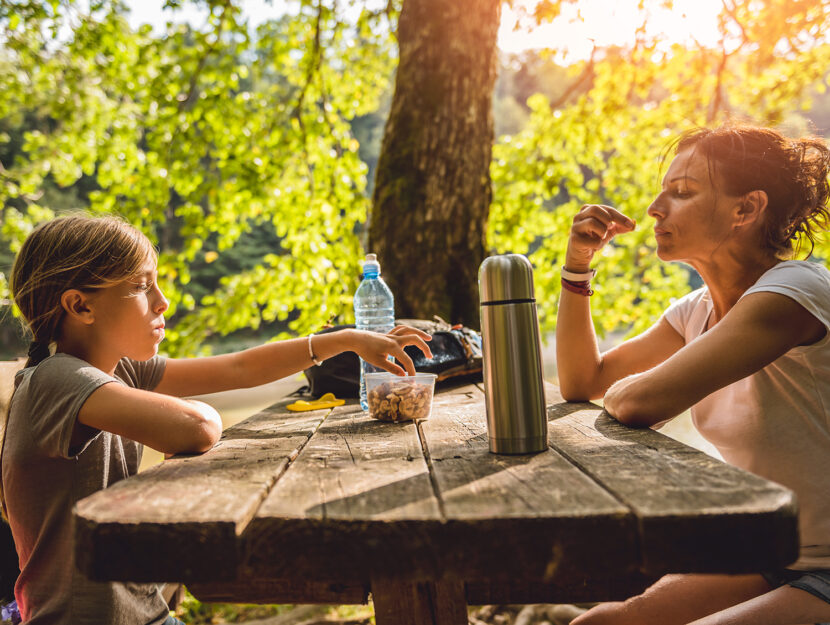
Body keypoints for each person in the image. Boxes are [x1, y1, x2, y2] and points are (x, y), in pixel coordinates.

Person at [0, 215, 432, 625]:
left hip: (143, 612)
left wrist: (344, 340)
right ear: (80, 306)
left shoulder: (118, 370)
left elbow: (238, 370)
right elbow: (197, 428)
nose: (162, 302)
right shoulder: (56, 380)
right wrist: (203, 414)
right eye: (141, 287)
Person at [555, 123, 830, 625]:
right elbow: (582, 382)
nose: (655, 208)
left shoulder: (795, 292)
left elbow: (639, 402)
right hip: (769, 549)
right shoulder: (696, 310)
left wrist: (633, 392)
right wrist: (577, 267)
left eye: (681, 193)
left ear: (745, 209)